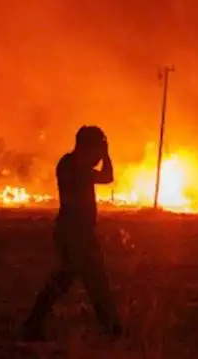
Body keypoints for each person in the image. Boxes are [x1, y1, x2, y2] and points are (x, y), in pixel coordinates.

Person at [21, 125, 123, 341]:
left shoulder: (80, 166)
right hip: (72, 233)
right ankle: (32, 325)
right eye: (95, 151)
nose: (97, 157)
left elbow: (107, 177)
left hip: (83, 233)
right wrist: (103, 153)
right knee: (67, 280)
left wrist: (105, 153)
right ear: (85, 147)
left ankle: (112, 328)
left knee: (95, 281)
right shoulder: (69, 165)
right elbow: (103, 176)